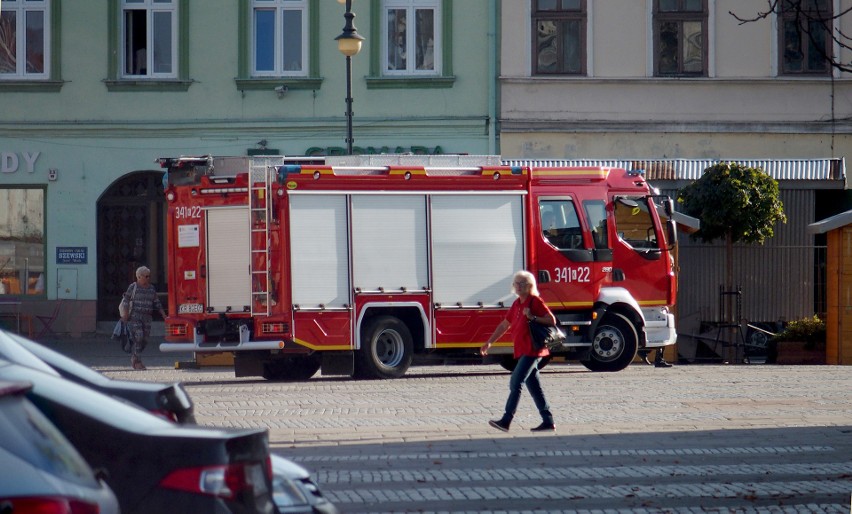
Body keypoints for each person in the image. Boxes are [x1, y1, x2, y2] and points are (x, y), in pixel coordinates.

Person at [480, 270, 556, 432]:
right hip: (522, 350)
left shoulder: (534, 301)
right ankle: (548, 421)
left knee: (516, 382)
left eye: (522, 284)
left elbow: (551, 320)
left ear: (530, 286)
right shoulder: (517, 303)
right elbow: (504, 325)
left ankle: (506, 420)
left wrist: (533, 317)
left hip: (532, 350)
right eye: (516, 283)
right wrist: (489, 342)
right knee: (534, 387)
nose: (518, 286)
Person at [120, 266, 166, 370]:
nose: (148, 278)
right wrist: (126, 315)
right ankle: (137, 361)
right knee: (139, 336)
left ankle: (135, 356)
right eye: (146, 276)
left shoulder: (151, 288)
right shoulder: (133, 287)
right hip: (135, 316)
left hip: (147, 317)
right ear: (139, 277)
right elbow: (126, 301)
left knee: (144, 340)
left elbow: (156, 302)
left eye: (149, 276)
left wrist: (163, 314)